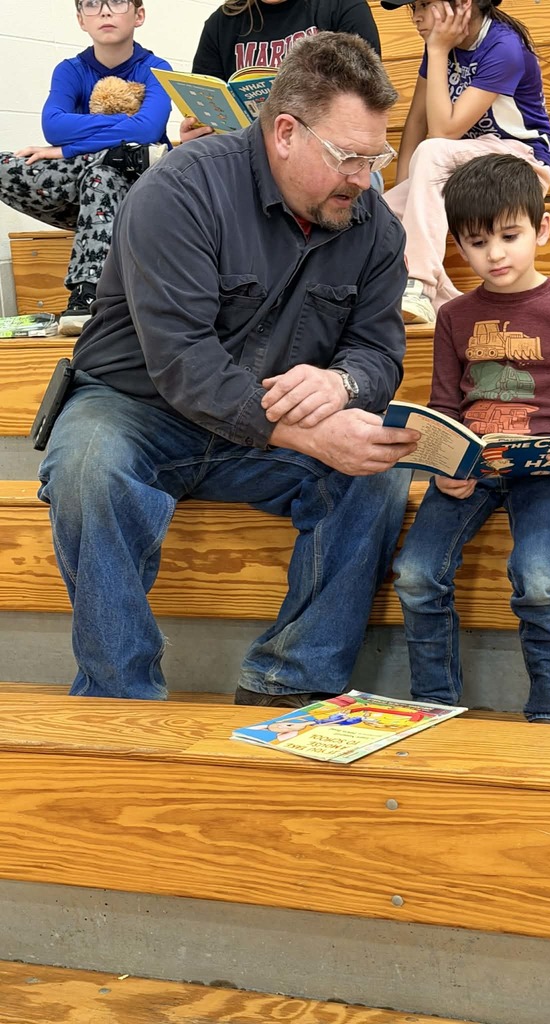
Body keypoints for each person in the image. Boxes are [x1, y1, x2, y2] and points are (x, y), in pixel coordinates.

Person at [36, 32, 419, 706]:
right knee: (87, 466)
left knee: (376, 471)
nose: (364, 177)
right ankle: (119, 695)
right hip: (137, 408)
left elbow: (380, 350)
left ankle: (289, 683)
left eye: (375, 156)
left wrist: (342, 384)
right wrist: (308, 433)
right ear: (284, 133)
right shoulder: (179, 190)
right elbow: (185, 364)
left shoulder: (372, 226)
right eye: (348, 157)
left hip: (257, 422)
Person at [392, 155, 550, 722]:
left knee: (538, 578)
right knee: (416, 573)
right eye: (476, 242)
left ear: (541, 229)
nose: (495, 254)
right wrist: (443, 465)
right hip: (474, 469)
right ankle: (435, 705)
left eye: (510, 236)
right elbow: (445, 405)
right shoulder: (454, 317)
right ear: (458, 246)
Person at [0, 0, 172, 336]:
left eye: (116, 2)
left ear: (139, 15)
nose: (105, 12)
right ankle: (121, 158)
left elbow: (147, 130)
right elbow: (53, 126)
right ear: (81, 19)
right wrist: (113, 146)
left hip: (139, 199)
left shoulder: (156, 69)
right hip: (82, 199)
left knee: (103, 175)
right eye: (92, 4)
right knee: (5, 164)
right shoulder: (70, 70)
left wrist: (67, 148)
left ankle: (87, 294)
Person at [381, 0, 550, 325]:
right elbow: (416, 123)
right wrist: (408, 189)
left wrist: (437, 52)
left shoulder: (503, 46)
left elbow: (443, 132)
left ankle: (418, 283)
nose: (416, 17)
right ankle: (443, 306)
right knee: (381, 214)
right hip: (464, 163)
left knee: (432, 151)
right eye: (413, 8)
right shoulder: (441, 47)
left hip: (522, 163)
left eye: (423, 4)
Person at [181, 0, 381, 145]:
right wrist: (200, 135)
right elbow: (207, 101)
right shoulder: (221, 23)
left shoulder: (342, 6)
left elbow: (366, 94)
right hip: (248, 160)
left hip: (332, 152)